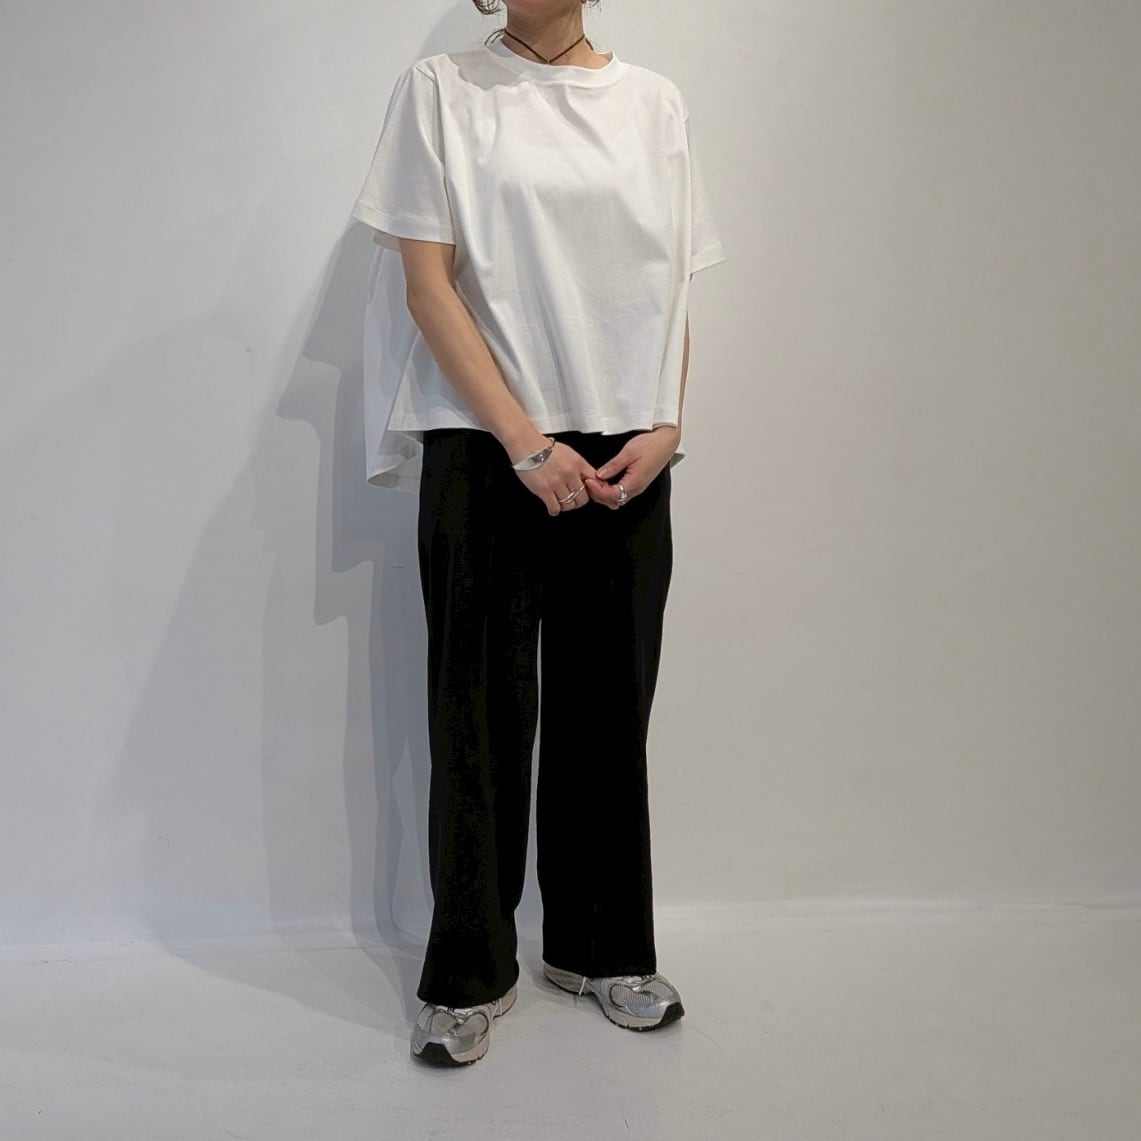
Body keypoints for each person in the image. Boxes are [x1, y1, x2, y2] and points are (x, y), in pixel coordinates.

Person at [350, 0, 725, 1066]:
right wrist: (523, 441)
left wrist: (667, 422)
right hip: (487, 440)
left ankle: (603, 948)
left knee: (610, 707)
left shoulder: (654, 103)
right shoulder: (442, 92)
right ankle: (467, 969)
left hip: (626, 449)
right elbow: (426, 286)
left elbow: (670, 287)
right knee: (476, 710)